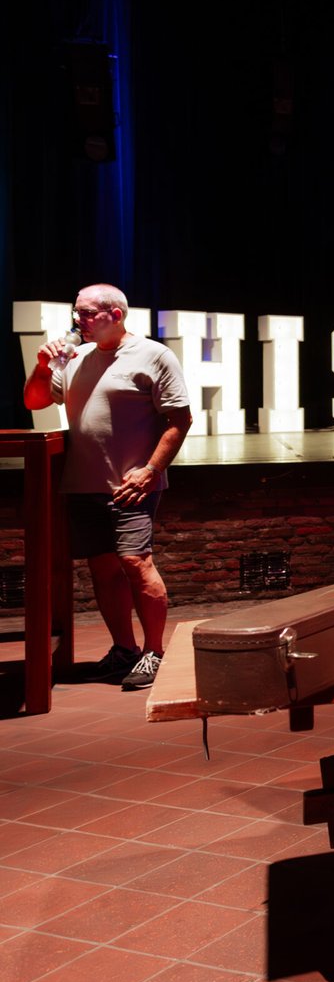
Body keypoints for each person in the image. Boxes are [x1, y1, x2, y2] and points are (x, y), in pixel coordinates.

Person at [23, 284, 192, 691]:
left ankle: (154, 652)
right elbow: (34, 401)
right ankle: (124, 650)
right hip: (84, 483)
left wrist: (151, 470)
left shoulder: (153, 355)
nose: (78, 320)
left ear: (116, 315)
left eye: (87, 313)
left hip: (132, 484)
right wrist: (43, 366)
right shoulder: (76, 357)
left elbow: (180, 419)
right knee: (103, 569)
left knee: (136, 563)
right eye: (76, 312)